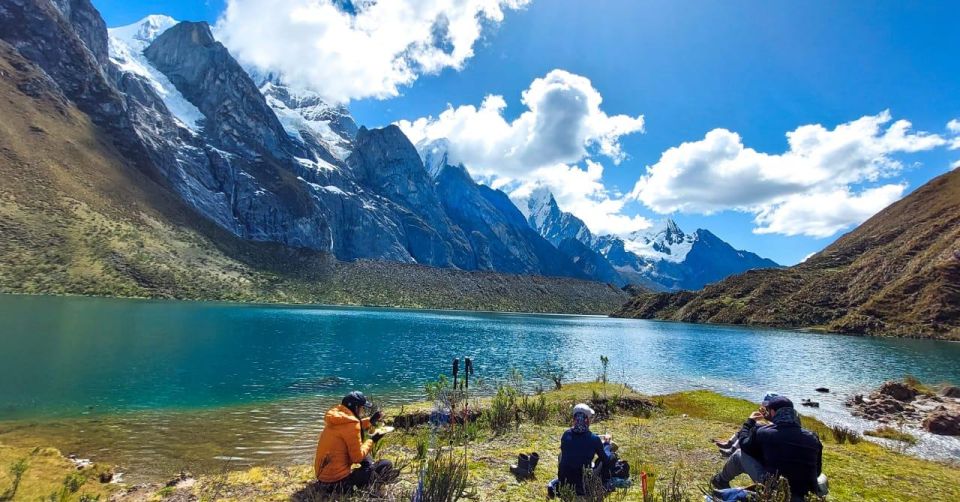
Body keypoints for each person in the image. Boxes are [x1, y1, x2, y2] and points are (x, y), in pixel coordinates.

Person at [711, 395, 823, 502]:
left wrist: (749, 423)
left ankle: (720, 481)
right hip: (807, 494)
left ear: (773, 412)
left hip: (777, 491)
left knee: (739, 455)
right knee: (823, 478)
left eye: (769, 411)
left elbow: (744, 444)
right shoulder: (813, 437)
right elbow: (817, 472)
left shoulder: (764, 433)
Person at [313, 391, 394, 493]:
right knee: (386, 464)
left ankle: (364, 470)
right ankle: (369, 482)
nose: (362, 411)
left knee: (367, 459)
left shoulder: (337, 419)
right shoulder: (351, 425)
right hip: (338, 484)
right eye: (362, 408)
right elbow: (357, 458)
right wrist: (373, 439)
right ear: (356, 408)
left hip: (322, 478)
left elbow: (352, 427)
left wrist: (370, 421)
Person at [547, 403, 613, 498]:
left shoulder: (566, 435)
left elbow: (576, 446)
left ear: (574, 419)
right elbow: (606, 459)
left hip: (564, 483)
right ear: (587, 420)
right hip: (582, 485)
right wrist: (607, 444)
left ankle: (562, 485)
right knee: (605, 460)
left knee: (561, 455)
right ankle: (604, 482)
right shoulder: (594, 439)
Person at [713, 393, 779, 457]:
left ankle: (732, 450)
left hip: (772, 433)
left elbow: (775, 423)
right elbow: (770, 419)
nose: (765, 406)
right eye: (765, 404)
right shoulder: (771, 408)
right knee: (750, 425)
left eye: (767, 404)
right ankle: (730, 443)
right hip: (770, 430)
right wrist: (763, 415)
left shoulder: (776, 409)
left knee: (752, 427)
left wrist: (762, 418)